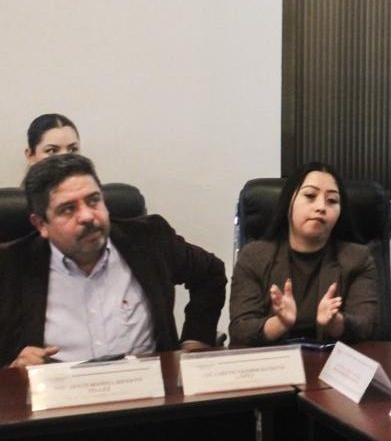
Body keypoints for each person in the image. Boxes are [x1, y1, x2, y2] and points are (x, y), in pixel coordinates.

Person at [0, 154, 226, 366]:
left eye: (93, 200)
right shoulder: (10, 267)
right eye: (68, 209)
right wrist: (12, 369)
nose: (87, 216)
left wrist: (195, 343)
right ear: (41, 224)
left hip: (150, 396)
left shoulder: (149, 240)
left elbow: (210, 274)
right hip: (59, 402)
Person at [228, 162, 380, 346]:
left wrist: (336, 323)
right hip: (273, 364)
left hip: (332, 362)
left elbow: (365, 326)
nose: (321, 207)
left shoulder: (357, 258)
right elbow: (240, 330)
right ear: (288, 202)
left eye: (332, 200)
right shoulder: (254, 257)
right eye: (310, 196)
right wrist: (280, 323)